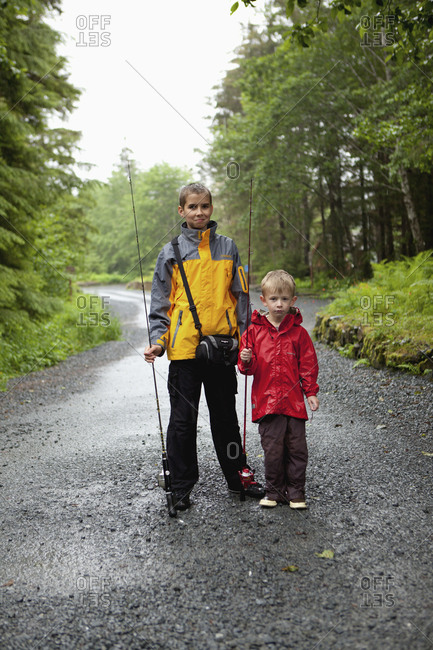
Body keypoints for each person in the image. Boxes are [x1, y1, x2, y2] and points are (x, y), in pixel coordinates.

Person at [144, 182, 264, 510]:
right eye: (193, 207)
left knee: (225, 416)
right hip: (183, 350)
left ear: (212, 209)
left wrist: (246, 339)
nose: (200, 212)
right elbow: (159, 303)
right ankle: (180, 487)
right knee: (182, 419)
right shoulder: (170, 252)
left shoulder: (229, 247)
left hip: (222, 348)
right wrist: (157, 342)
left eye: (205, 206)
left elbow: (241, 297)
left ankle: (238, 474)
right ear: (181, 211)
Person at [238, 269, 319, 509]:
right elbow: (247, 370)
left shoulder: (299, 334)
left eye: (285, 299)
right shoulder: (254, 331)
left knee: (297, 450)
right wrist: (245, 359)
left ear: (293, 301)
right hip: (267, 404)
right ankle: (274, 492)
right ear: (264, 300)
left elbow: (307, 365)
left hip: (294, 405)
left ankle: (296, 493)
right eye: (274, 299)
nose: (279, 304)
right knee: (272, 450)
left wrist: (311, 392)